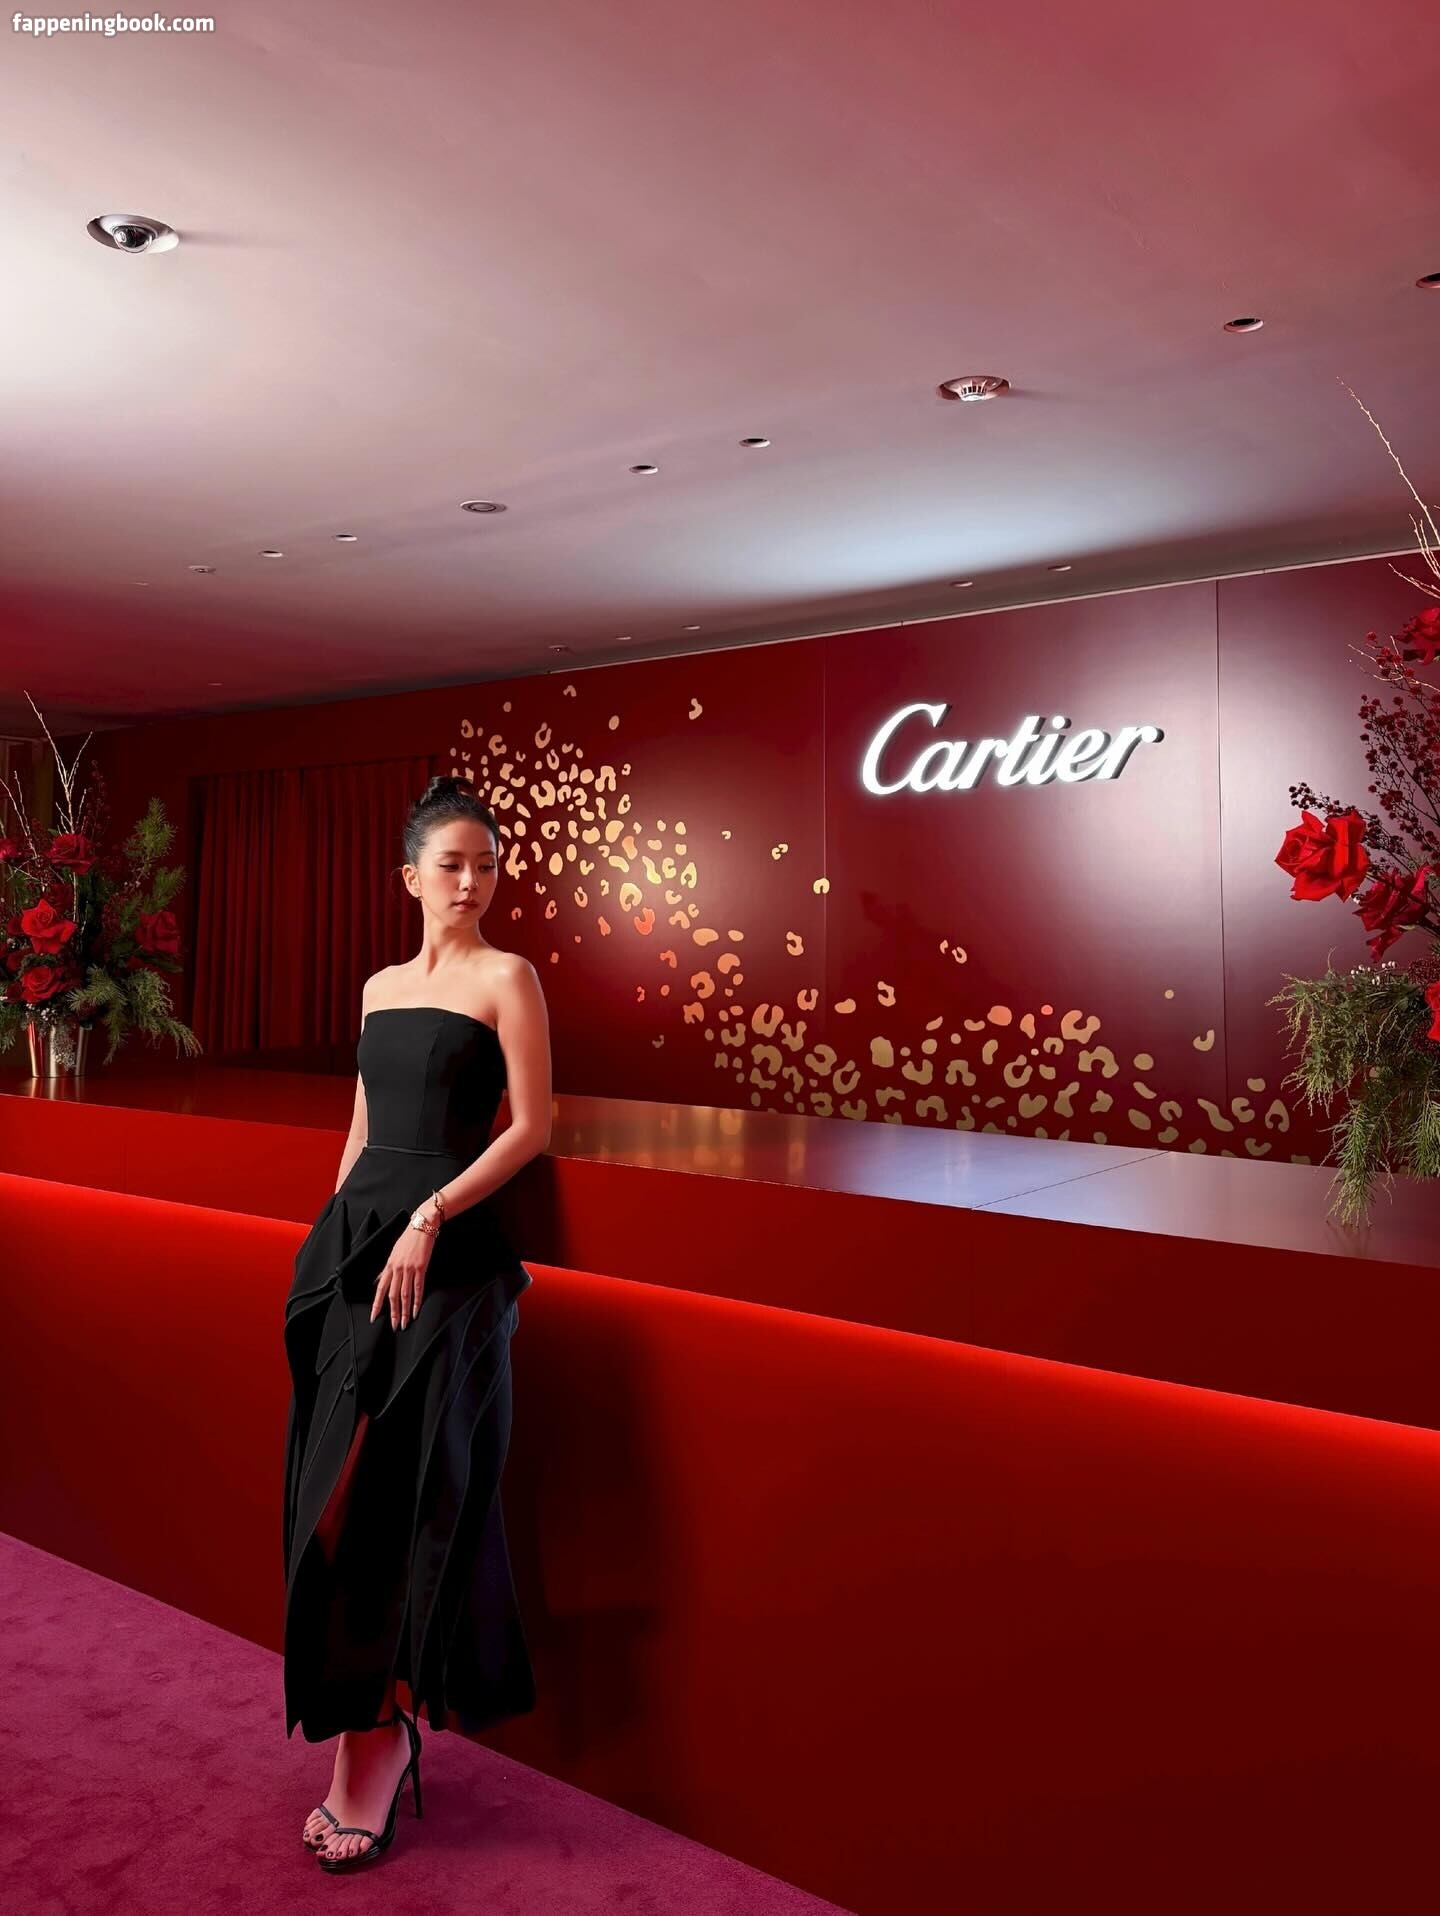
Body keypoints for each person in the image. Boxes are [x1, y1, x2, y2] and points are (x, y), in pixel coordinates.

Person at [281, 772, 552, 1872]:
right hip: (360, 1252)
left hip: (447, 1260)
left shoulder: (508, 976)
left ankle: (379, 1736)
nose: (472, 881)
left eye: (487, 864)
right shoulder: (379, 986)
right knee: (329, 1501)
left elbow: (531, 1127)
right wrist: (332, 1241)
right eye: (452, 864)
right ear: (410, 877)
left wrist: (430, 1217)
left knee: (408, 1498)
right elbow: (359, 1132)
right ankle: (361, 1716)